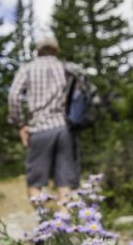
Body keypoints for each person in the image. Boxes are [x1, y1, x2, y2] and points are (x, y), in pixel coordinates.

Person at [7, 34, 79, 208]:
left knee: (35, 182)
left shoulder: (28, 68)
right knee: (64, 181)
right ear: (56, 50)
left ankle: (45, 225)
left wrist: (20, 123)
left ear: (37, 51)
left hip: (39, 128)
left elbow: (14, 96)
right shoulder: (66, 68)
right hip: (63, 128)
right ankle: (64, 224)